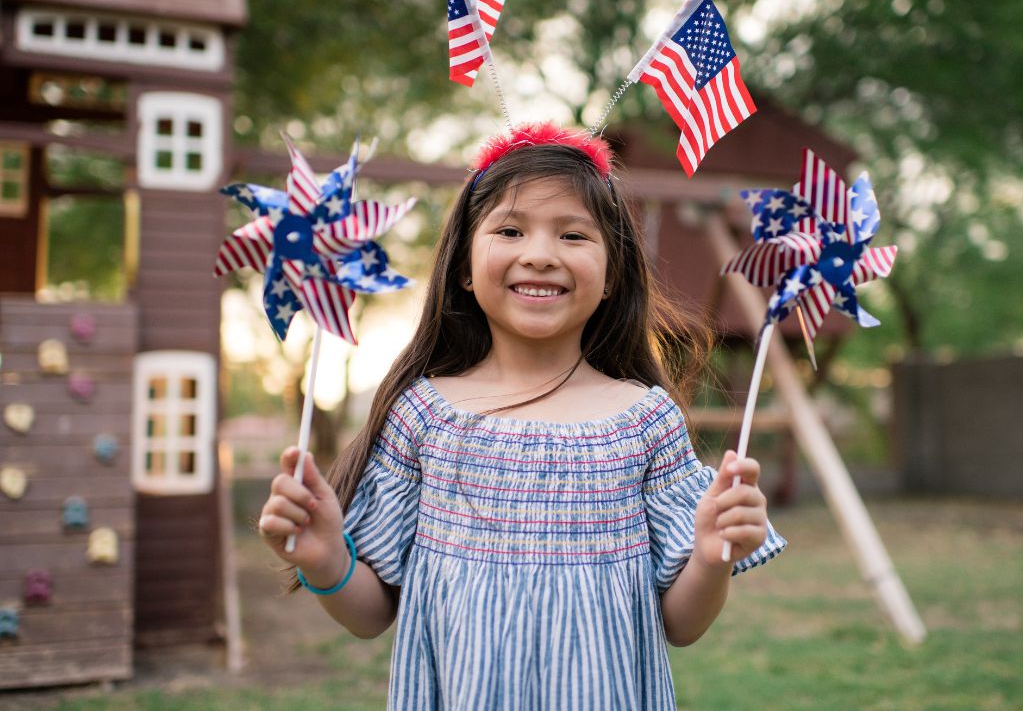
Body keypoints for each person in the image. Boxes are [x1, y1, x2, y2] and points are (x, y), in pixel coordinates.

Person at [257, 122, 787, 710]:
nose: (539, 255)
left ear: (613, 274)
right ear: (463, 265)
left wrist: (712, 553)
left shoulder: (644, 420)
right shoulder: (424, 416)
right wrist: (326, 555)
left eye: (573, 235)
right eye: (510, 229)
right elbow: (370, 615)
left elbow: (680, 625)